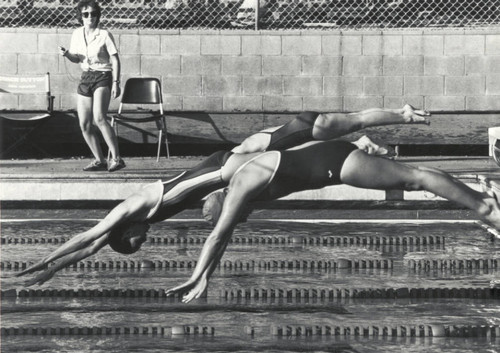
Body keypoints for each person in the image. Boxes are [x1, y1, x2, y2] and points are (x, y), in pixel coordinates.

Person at [15, 105, 430, 286]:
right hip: (242, 158)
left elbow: (89, 237)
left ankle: (374, 137)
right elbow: (91, 250)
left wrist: (44, 257)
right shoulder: (140, 221)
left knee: (322, 128)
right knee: (319, 136)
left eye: (138, 240)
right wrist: (53, 271)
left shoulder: (134, 206)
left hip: (236, 160)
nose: (146, 237)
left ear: (129, 231)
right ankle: (377, 136)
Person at [165, 145, 500, 303]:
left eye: (220, 214)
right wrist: (204, 276)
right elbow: (222, 234)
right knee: (412, 177)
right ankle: (480, 197)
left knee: (414, 180)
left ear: (224, 203)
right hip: (329, 158)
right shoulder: (239, 186)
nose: (239, 218)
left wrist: (196, 276)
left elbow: (217, 236)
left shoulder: (240, 187)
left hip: (335, 163)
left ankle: (483, 206)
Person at [59, 0, 125, 172]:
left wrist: (116, 83)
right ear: (80, 16)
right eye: (85, 14)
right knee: (85, 124)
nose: (90, 17)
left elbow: (115, 59)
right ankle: (100, 160)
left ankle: (117, 158)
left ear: (98, 16)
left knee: (100, 118)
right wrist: (67, 54)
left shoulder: (104, 34)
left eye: (93, 14)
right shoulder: (76, 34)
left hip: (103, 75)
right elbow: (76, 58)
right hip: (86, 77)